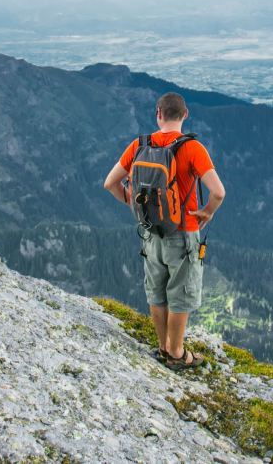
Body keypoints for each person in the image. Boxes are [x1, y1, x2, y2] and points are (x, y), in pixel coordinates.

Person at [102, 92, 226, 369]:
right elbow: (218, 192)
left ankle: (162, 347)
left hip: (150, 232)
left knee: (157, 291)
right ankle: (177, 353)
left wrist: (135, 207)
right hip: (182, 233)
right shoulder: (193, 148)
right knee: (180, 293)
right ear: (185, 114)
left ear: (158, 114)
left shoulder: (139, 145)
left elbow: (110, 183)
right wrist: (207, 211)